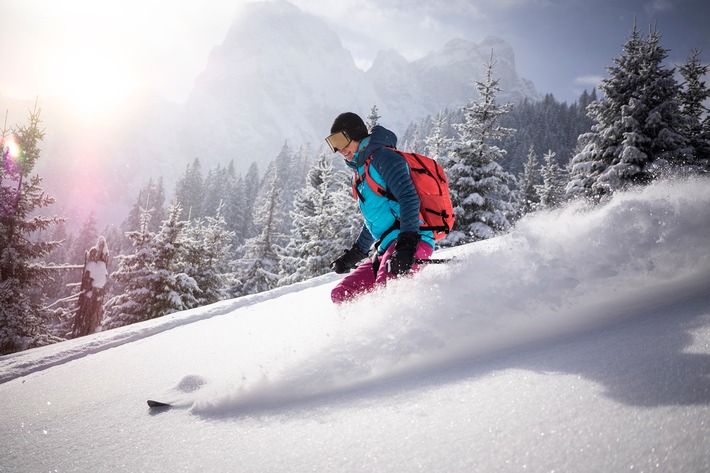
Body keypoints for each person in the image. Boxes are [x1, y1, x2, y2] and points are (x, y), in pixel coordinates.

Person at [326, 112, 434, 303]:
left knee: (389, 289)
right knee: (341, 294)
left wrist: (407, 244)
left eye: (341, 140)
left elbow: (409, 198)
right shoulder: (360, 172)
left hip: (411, 240)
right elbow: (375, 220)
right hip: (386, 247)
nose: (339, 149)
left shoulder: (384, 157)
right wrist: (353, 256)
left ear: (356, 133)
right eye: (333, 144)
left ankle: (407, 332)